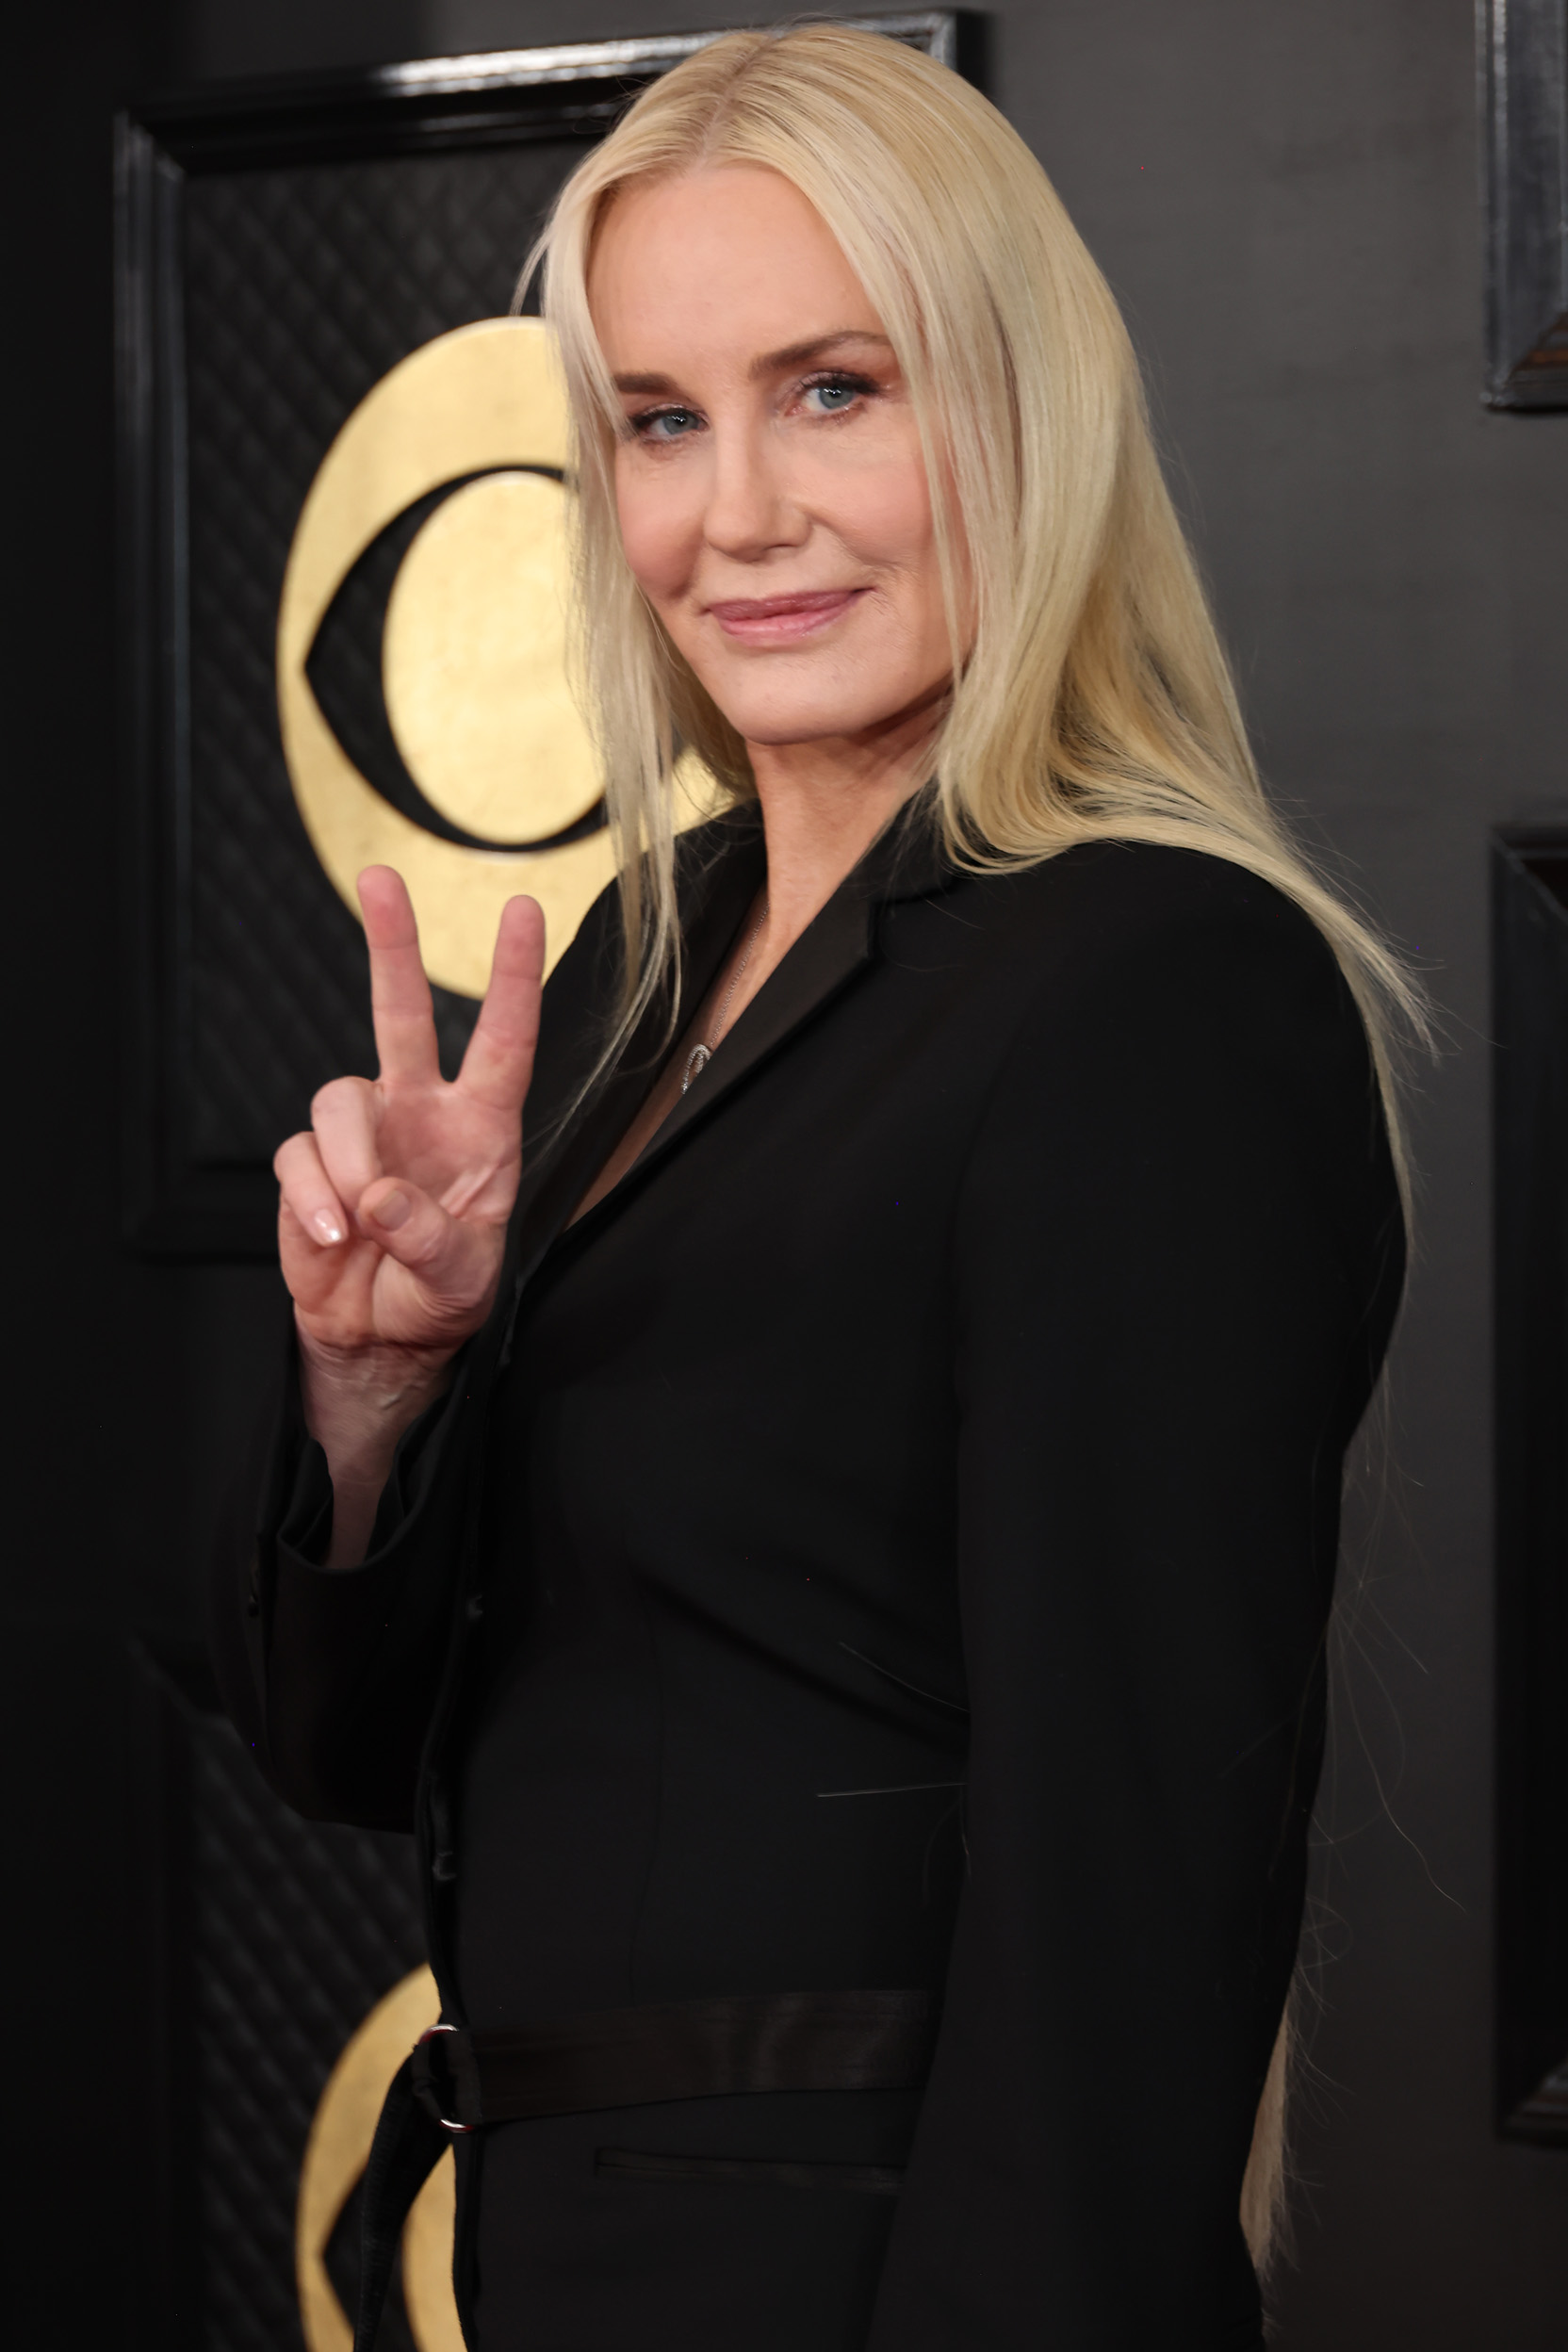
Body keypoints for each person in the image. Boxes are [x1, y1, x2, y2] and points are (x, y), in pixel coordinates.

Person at [214, 24, 1420, 2350]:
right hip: (568, 2265)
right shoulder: (634, 960)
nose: (732, 514)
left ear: (1018, 411)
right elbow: (356, 1755)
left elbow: (1129, 1893)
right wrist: (375, 1386)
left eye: (834, 390)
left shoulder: (1155, 981)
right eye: (659, 420)